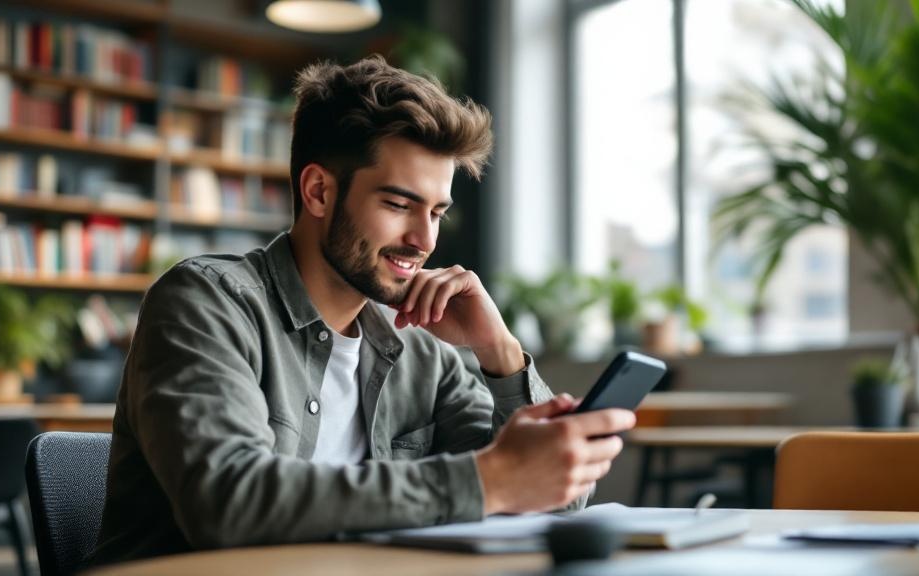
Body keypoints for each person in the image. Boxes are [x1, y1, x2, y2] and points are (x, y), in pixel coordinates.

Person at [90, 55, 635, 565]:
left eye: (437, 212)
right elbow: (230, 505)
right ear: (319, 192)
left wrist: (500, 353)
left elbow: (551, 500)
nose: (424, 239)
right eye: (398, 204)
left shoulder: (422, 345)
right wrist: (489, 480)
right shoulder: (207, 303)